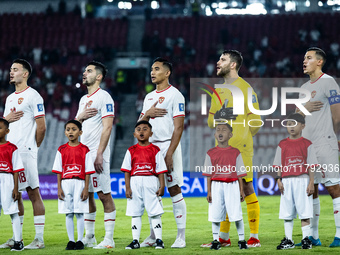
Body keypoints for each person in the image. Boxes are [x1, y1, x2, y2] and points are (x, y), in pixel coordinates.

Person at [202, 50, 262, 248]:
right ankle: (224, 238)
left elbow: (256, 121)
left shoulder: (245, 88)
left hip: (240, 148)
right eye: (219, 58)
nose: (218, 62)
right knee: (225, 190)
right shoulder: (217, 91)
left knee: (246, 187)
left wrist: (241, 136)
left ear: (233, 64)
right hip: (223, 148)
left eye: (223, 59)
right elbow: (211, 121)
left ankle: (253, 236)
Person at [139, 57, 186, 248]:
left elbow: (179, 127)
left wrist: (169, 153)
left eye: (156, 69)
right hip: (151, 148)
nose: (152, 72)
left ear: (167, 73)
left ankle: (180, 236)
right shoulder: (148, 97)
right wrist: (147, 114)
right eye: (151, 69)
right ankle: (152, 236)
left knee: (173, 188)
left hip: (168, 146)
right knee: (152, 192)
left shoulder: (176, 95)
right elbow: (140, 126)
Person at [296, 47, 340, 247]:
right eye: (304, 57)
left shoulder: (328, 82)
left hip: (325, 142)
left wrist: (335, 137)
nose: (304, 60)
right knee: (311, 189)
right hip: (307, 146)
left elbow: (337, 115)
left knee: (333, 188)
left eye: (309, 58)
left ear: (320, 62)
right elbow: (296, 115)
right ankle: (314, 236)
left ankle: (339, 235)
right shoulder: (305, 86)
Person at [1, 59, 46, 249]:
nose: (11, 72)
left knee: (33, 192)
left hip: (26, 151)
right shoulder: (9, 98)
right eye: (11, 69)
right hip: (11, 152)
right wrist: (5, 119)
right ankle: (16, 237)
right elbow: (2, 127)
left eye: (16, 69)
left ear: (25, 74)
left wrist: (33, 147)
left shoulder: (33, 96)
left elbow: (42, 127)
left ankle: (39, 239)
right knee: (16, 195)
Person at [75, 61, 116, 249]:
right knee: (88, 194)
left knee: (103, 194)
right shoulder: (83, 100)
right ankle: (89, 236)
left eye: (89, 71)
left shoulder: (104, 97)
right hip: (83, 155)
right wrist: (79, 117)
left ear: (99, 76)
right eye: (85, 70)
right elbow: (75, 127)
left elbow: (108, 127)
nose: (85, 73)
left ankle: (109, 239)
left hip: (97, 154)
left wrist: (99, 153)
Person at [121, 121, 167, 250]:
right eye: (139, 129)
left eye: (145, 129)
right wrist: (128, 187)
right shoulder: (131, 150)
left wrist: (162, 186)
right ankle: (135, 241)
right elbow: (126, 170)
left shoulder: (155, 150)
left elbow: (161, 170)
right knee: (135, 213)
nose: (141, 131)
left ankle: (159, 240)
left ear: (151, 133)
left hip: (150, 181)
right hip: (135, 182)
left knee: (154, 213)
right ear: (134, 134)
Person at [274, 113, 317, 250]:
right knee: (287, 212)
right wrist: (279, 180)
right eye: (289, 124)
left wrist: (311, 182)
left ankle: (306, 239)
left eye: (295, 123)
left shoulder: (307, 144)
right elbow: (278, 164)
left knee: (305, 211)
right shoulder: (282, 144)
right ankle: (289, 240)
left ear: (302, 126)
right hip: (286, 181)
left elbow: (311, 165)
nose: (291, 126)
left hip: (302, 180)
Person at [203, 123, 248, 250]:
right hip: (216, 185)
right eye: (218, 130)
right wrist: (209, 191)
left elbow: (240, 173)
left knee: (236, 214)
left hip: (232, 185)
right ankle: (216, 241)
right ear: (215, 135)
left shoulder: (235, 152)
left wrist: (241, 190)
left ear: (230, 135)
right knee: (215, 215)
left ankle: (242, 240)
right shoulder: (210, 153)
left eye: (224, 130)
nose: (220, 132)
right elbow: (208, 174)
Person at [52, 120, 95, 250]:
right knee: (68, 213)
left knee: (79, 212)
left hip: (80, 182)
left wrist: (86, 188)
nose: (71, 131)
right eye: (68, 129)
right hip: (66, 182)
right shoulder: (61, 149)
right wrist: (59, 187)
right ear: (65, 132)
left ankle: (80, 241)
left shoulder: (84, 149)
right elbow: (59, 170)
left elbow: (88, 171)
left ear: (80, 132)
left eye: (74, 129)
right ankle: (71, 241)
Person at [0, 118, 25, 251]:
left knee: (13, 211)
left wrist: (16, 188)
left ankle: (18, 241)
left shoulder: (12, 148)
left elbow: (16, 170)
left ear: (7, 131)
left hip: (7, 179)